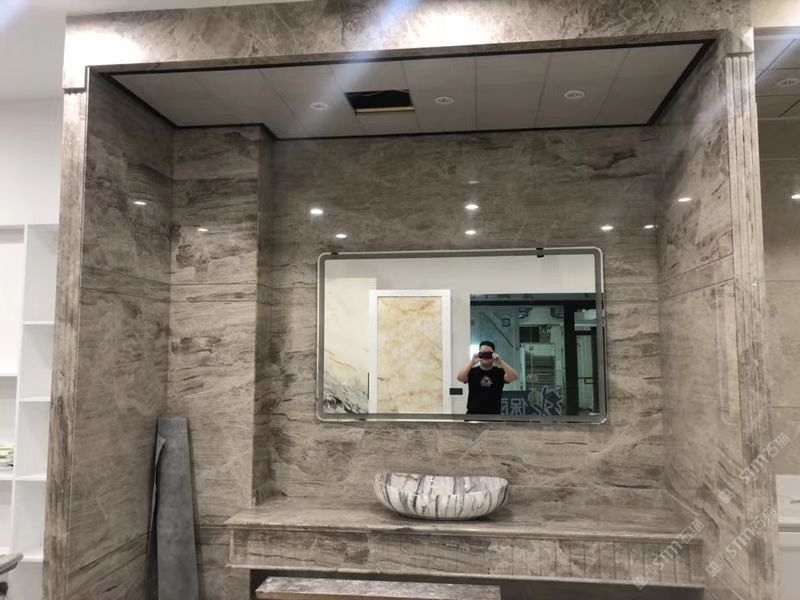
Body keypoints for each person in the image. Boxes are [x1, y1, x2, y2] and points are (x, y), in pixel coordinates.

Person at [456, 341, 519, 415]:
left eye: (489, 353)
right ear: (479, 354)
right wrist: (472, 363)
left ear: (494, 354)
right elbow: (460, 378)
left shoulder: (499, 372)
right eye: (483, 353)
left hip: (494, 415)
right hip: (473, 414)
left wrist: (500, 361)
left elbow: (514, 377)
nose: (486, 355)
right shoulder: (472, 371)